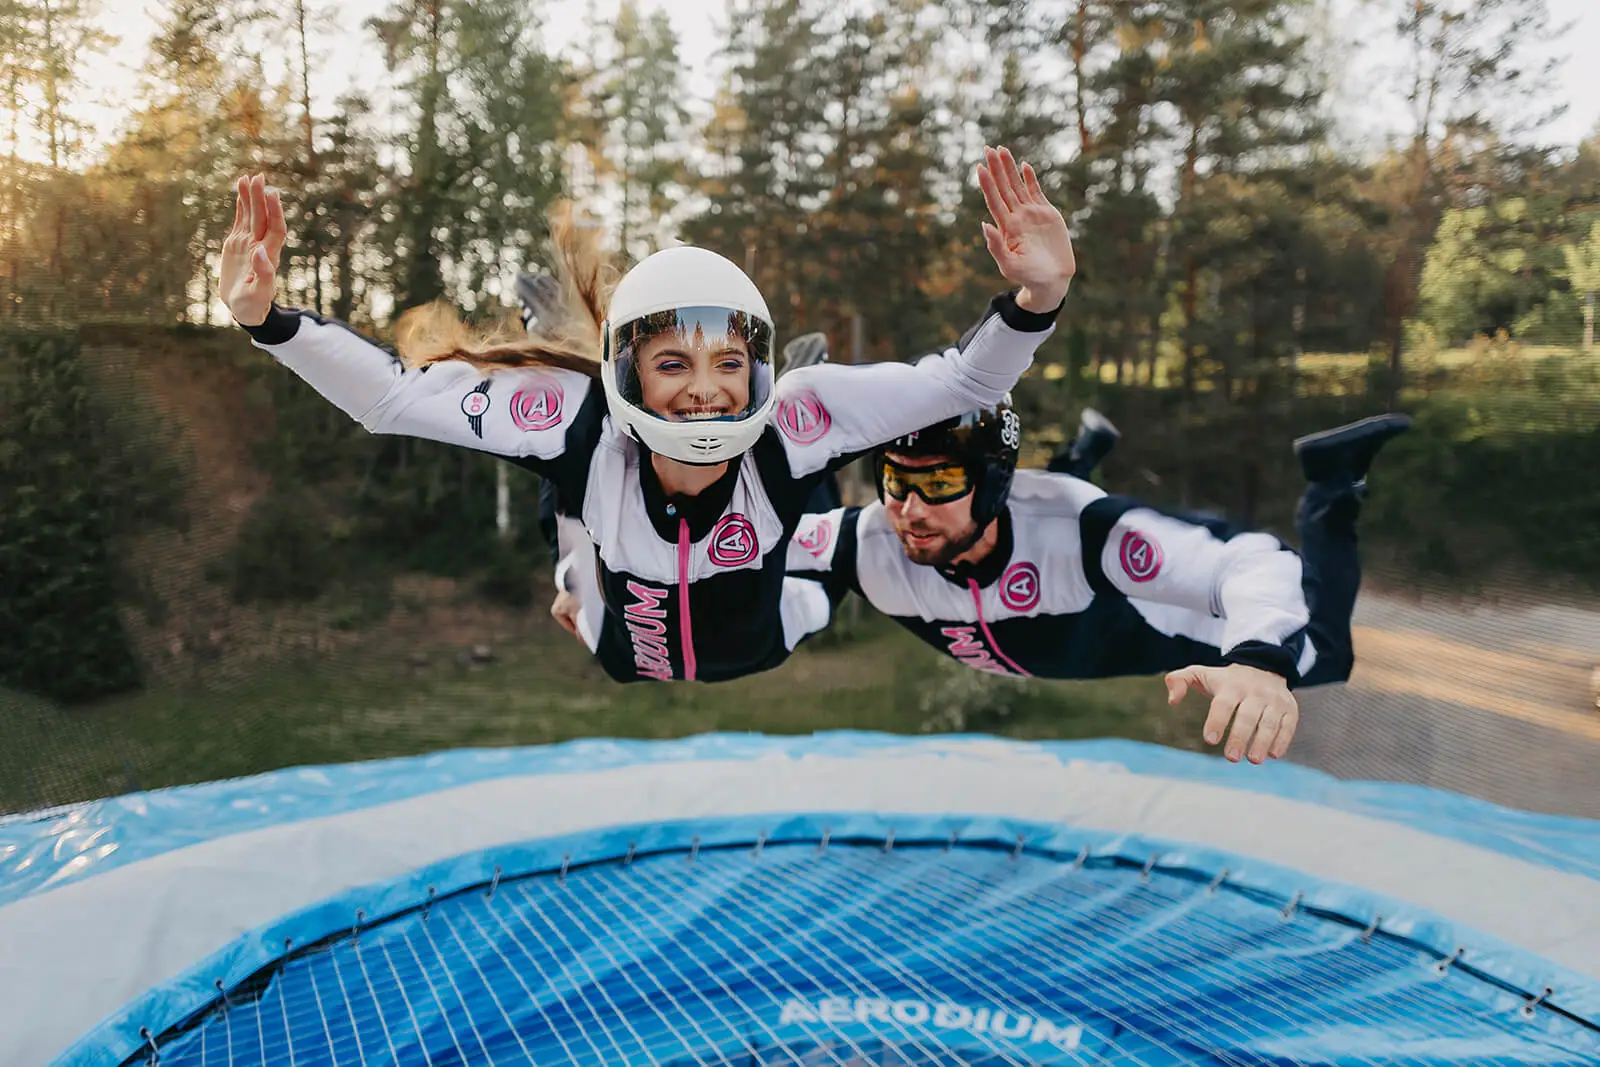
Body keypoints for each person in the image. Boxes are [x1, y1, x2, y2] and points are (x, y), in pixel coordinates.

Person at [219, 145, 1077, 684]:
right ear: (627, 370)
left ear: (759, 367)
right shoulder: (576, 418)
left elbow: (964, 382)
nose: (706, 389)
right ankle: (571, 521)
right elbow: (393, 396)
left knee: (825, 535)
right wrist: (269, 321)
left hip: (767, 630)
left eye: (728, 363)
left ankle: (793, 507)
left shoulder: (793, 416)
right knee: (576, 499)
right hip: (622, 644)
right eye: (673, 364)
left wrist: (1039, 296)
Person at [782, 388, 1412, 764]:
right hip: (1051, 532)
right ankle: (1081, 456)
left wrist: (1258, 660)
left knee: (1320, 654)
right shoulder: (871, 539)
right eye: (896, 480)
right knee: (825, 549)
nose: (910, 511)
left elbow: (1250, 562)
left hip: (1146, 596)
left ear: (995, 482)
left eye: (940, 482)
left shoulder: (1085, 532)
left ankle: (1331, 480)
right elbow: (765, 541)